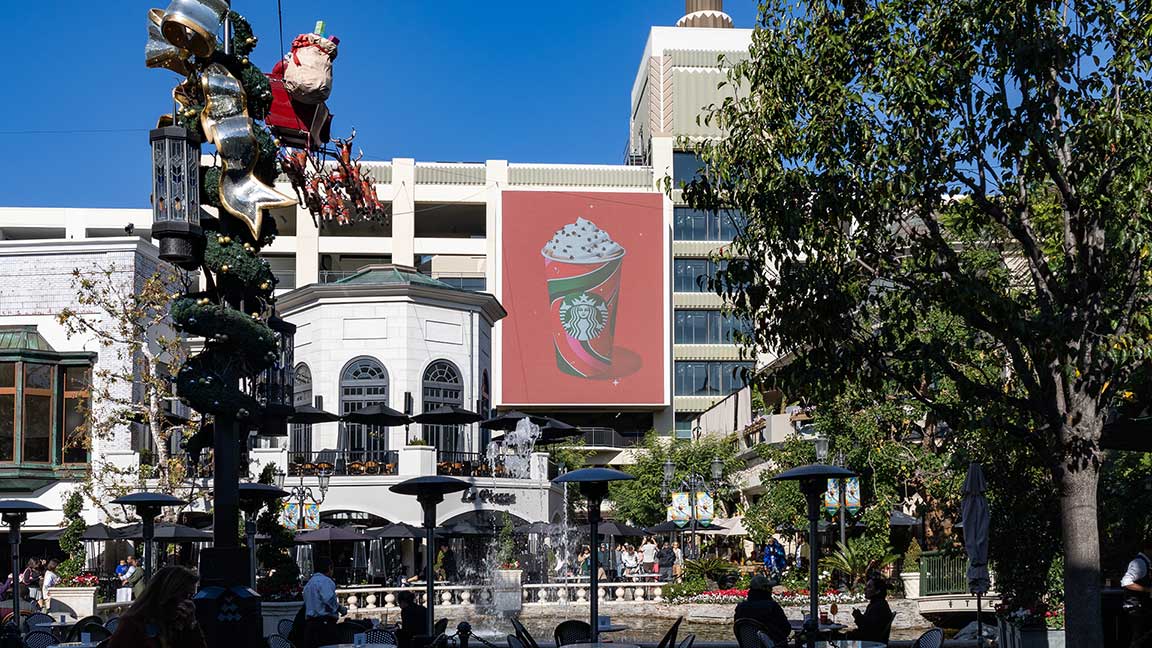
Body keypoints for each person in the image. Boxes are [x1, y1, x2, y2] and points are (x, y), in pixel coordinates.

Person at [107, 565, 205, 648]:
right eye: (185, 596)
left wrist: (191, 625)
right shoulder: (133, 624)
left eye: (191, 596)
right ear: (169, 594)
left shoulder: (180, 625)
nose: (189, 602)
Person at [733, 575, 792, 646]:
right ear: (766, 589)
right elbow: (786, 629)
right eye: (770, 588)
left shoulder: (740, 607)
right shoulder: (772, 606)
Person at [303, 557, 346, 648]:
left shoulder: (309, 584)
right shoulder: (325, 581)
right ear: (330, 568)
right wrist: (341, 609)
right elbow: (329, 599)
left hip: (310, 626)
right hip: (325, 626)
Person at [1123, 542, 1152, 647]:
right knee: (1138, 639)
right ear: (1148, 550)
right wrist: (1147, 590)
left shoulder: (1147, 563)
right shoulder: (1139, 563)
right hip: (1135, 608)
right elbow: (1126, 582)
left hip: (1142, 607)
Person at [847, 576, 893, 641]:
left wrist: (858, 617)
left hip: (870, 642)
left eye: (869, 587)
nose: (865, 589)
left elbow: (869, 630)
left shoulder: (878, 607)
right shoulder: (877, 604)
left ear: (877, 591)